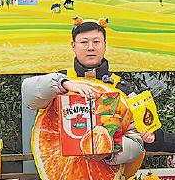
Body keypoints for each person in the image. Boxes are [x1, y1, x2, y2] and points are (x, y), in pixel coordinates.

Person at [21, 16, 143, 167]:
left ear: (105, 45)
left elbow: (137, 142)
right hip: (64, 173)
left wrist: (110, 151)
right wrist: (64, 84)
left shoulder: (121, 88)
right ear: (73, 46)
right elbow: (29, 94)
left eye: (96, 42)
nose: (90, 47)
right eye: (84, 42)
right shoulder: (59, 82)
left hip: (110, 177)